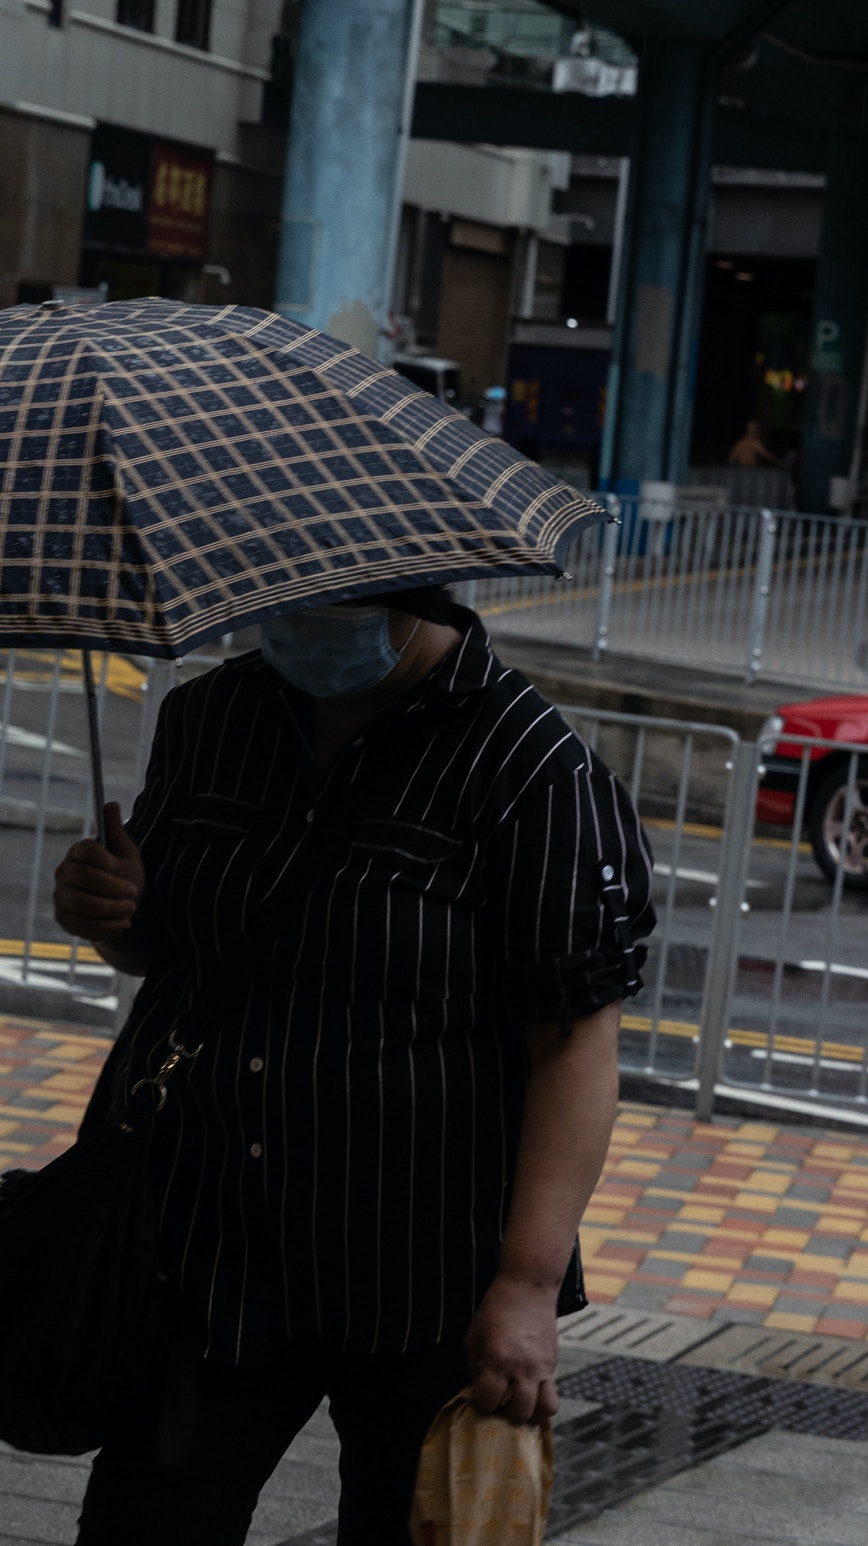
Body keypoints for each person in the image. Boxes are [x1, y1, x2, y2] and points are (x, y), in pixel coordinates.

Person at [52, 585, 654, 1545]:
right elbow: (172, 948)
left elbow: (574, 1044)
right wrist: (110, 914)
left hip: (420, 1273)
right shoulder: (212, 716)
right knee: (143, 1525)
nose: (286, 621)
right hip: (211, 1246)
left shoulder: (532, 766)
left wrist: (528, 1286)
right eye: (268, 594)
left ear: (411, 585)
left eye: (318, 602)